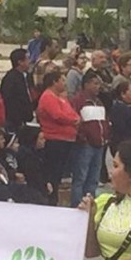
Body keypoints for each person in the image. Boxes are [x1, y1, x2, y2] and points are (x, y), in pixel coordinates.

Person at [37, 71, 80, 206]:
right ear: (54, 82)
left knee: (60, 172)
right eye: (62, 80)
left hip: (66, 139)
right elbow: (57, 115)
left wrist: (75, 118)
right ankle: (51, 199)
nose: (64, 83)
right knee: (53, 172)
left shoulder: (60, 98)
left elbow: (70, 112)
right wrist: (73, 121)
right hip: (55, 139)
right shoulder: (48, 97)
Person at [70, 71, 110, 208]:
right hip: (85, 145)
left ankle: (90, 206)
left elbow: (103, 122)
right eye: (95, 83)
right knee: (80, 177)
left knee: (93, 178)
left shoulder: (99, 102)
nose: (98, 87)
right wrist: (83, 138)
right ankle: (76, 205)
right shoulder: (78, 101)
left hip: (100, 145)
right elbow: (75, 122)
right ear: (86, 84)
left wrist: (105, 137)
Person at [1, 47, 36, 130]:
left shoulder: (27, 76)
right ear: (20, 62)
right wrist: (17, 118)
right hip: (14, 120)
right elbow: (8, 99)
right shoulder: (11, 79)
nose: (29, 61)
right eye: (27, 59)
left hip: (27, 117)